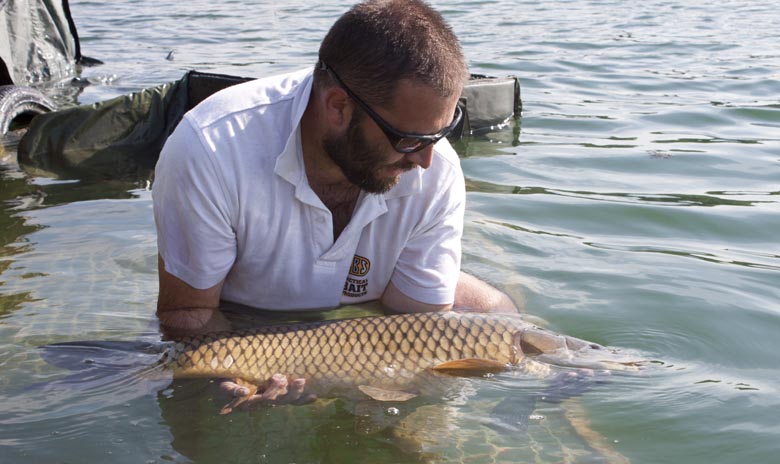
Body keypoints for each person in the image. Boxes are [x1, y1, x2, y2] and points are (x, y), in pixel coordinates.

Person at [152, 0, 517, 409]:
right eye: (407, 139)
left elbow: (415, 330)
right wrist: (229, 372)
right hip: (244, 317)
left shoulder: (437, 167)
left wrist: (387, 400)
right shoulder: (209, 147)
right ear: (338, 108)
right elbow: (187, 314)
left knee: (500, 315)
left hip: (364, 305)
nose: (425, 160)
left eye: (440, 134)